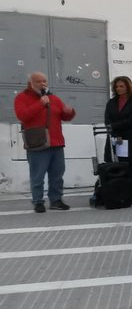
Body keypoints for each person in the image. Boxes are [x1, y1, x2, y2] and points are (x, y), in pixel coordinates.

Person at [14, 71, 76, 212]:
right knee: (37, 175)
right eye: (38, 81)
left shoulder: (53, 98)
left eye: (44, 81)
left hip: (56, 142)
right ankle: (38, 202)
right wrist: (40, 104)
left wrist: (69, 112)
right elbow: (22, 116)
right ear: (30, 83)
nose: (42, 84)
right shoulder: (22, 98)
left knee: (57, 174)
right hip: (37, 142)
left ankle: (56, 200)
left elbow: (63, 116)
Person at [104, 76, 132, 180]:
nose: (118, 88)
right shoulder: (111, 102)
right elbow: (107, 118)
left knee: (129, 164)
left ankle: (131, 187)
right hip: (115, 136)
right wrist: (112, 128)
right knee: (114, 163)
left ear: (128, 87)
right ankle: (117, 186)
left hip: (130, 137)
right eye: (116, 86)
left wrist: (114, 126)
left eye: (121, 86)